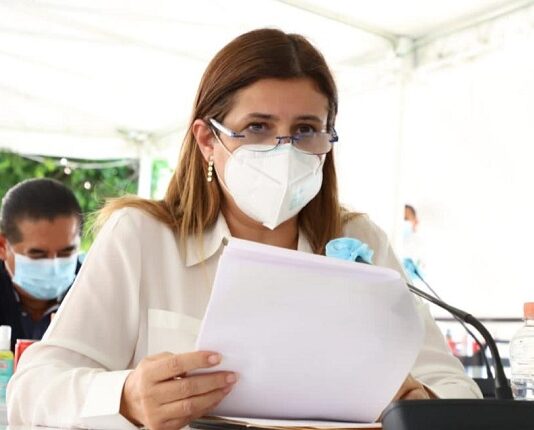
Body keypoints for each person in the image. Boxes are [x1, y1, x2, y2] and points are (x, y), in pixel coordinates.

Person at [7, 29, 481, 429]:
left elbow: (457, 390)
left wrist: (417, 403)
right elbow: (32, 388)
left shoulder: (359, 241)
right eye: (257, 127)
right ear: (207, 139)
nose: (284, 151)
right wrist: (127, 397)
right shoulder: (143, 238)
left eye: (305, 130)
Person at [0, 178, 83, 351]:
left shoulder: (94, 295)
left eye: (66, 253)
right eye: (38, 254)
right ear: (3, 247)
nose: (54, 266)